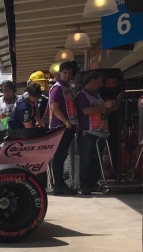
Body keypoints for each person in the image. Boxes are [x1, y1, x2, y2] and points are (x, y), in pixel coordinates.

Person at [75, 72, 117, 195]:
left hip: (100, 132)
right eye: (99, 82)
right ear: (91, 81)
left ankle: (94, 183)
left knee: (96, 160)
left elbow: (103, 110)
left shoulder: (98, 95)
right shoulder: (82, 95)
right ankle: (85, 185)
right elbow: (86, 111)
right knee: (86, 159)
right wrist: (104, 105)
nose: (100, 84)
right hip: (87, 132)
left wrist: (111, 107)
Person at [49, 61, 78, 195]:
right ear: (60, 73)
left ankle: (61, 184)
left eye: (69, 73)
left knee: (63, 155)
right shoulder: (57, 88)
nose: (67, 75)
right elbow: (54, 108)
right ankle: (59, 185)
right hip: (60, 126)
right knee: (59, 156)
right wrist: (66, 122)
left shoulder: (67, 87)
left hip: (69, 125)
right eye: (64, 72)